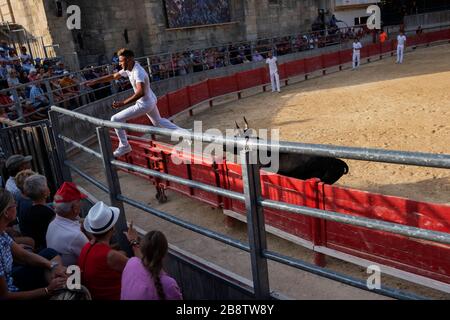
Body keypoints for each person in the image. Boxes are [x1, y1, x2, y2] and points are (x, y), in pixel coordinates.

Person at [85, 48, 189, 157]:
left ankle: (124, 146)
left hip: (144, 103)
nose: (119, 64)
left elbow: (140, 93)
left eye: (121, 61)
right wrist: (95, 81)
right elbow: (114, 76)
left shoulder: (138, 72)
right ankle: (185, 133)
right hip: (150, 99)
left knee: (115, 119)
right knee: (158, 122)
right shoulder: (129, 68)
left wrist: (122, 103)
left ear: (129, 60)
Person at [0, 189, 67, 299]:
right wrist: (47, 290)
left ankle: (59, 282)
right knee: (63, 282)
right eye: (13, 204)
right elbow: (4, 295)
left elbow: (24, 255)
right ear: (6, 212)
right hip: (12, 291)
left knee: (49, 253)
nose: (16, 205)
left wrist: (52, 266)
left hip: (11, 277)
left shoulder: (2, 233)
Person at [78, 201, 140, 300]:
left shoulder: (87, 247)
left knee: (122, 253)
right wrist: (134, 241)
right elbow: (141, 269)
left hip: (94, 295)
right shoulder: (111, 256)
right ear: (113, 229)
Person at [121, 230, 182, 300]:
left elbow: (140, 258)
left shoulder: (131, 263)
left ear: (142, 249)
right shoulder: (169, 284)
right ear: (164, 254)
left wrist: (133, 241)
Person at [46, 182, 89, 266]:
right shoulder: (76, 236)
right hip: (75, 276)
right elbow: (93, 258)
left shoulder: (52, 224)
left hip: (59, 270)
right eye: (79, 200)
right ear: (74, 208)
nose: (81, 203)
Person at [20, 175, 55, 251]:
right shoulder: (47, 213)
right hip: (47, 248)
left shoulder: (27, 210)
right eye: (46, 185)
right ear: (44, 192)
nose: (48, 187)